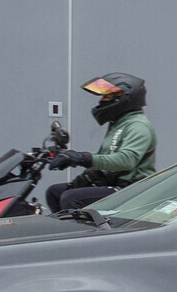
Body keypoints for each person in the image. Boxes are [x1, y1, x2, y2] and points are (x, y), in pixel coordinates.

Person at [45, 73, 157, 213]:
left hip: (131, 189)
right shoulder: (118, 123)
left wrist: (85, 158)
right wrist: (73, 157)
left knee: (71, 199)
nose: (102, 101)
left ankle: (84, 234)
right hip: (111, 182)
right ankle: (62, 231)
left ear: (125, 97)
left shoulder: (138, 126)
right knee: (55, 192)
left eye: (107, 96)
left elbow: (126, 160)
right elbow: (105, 155)